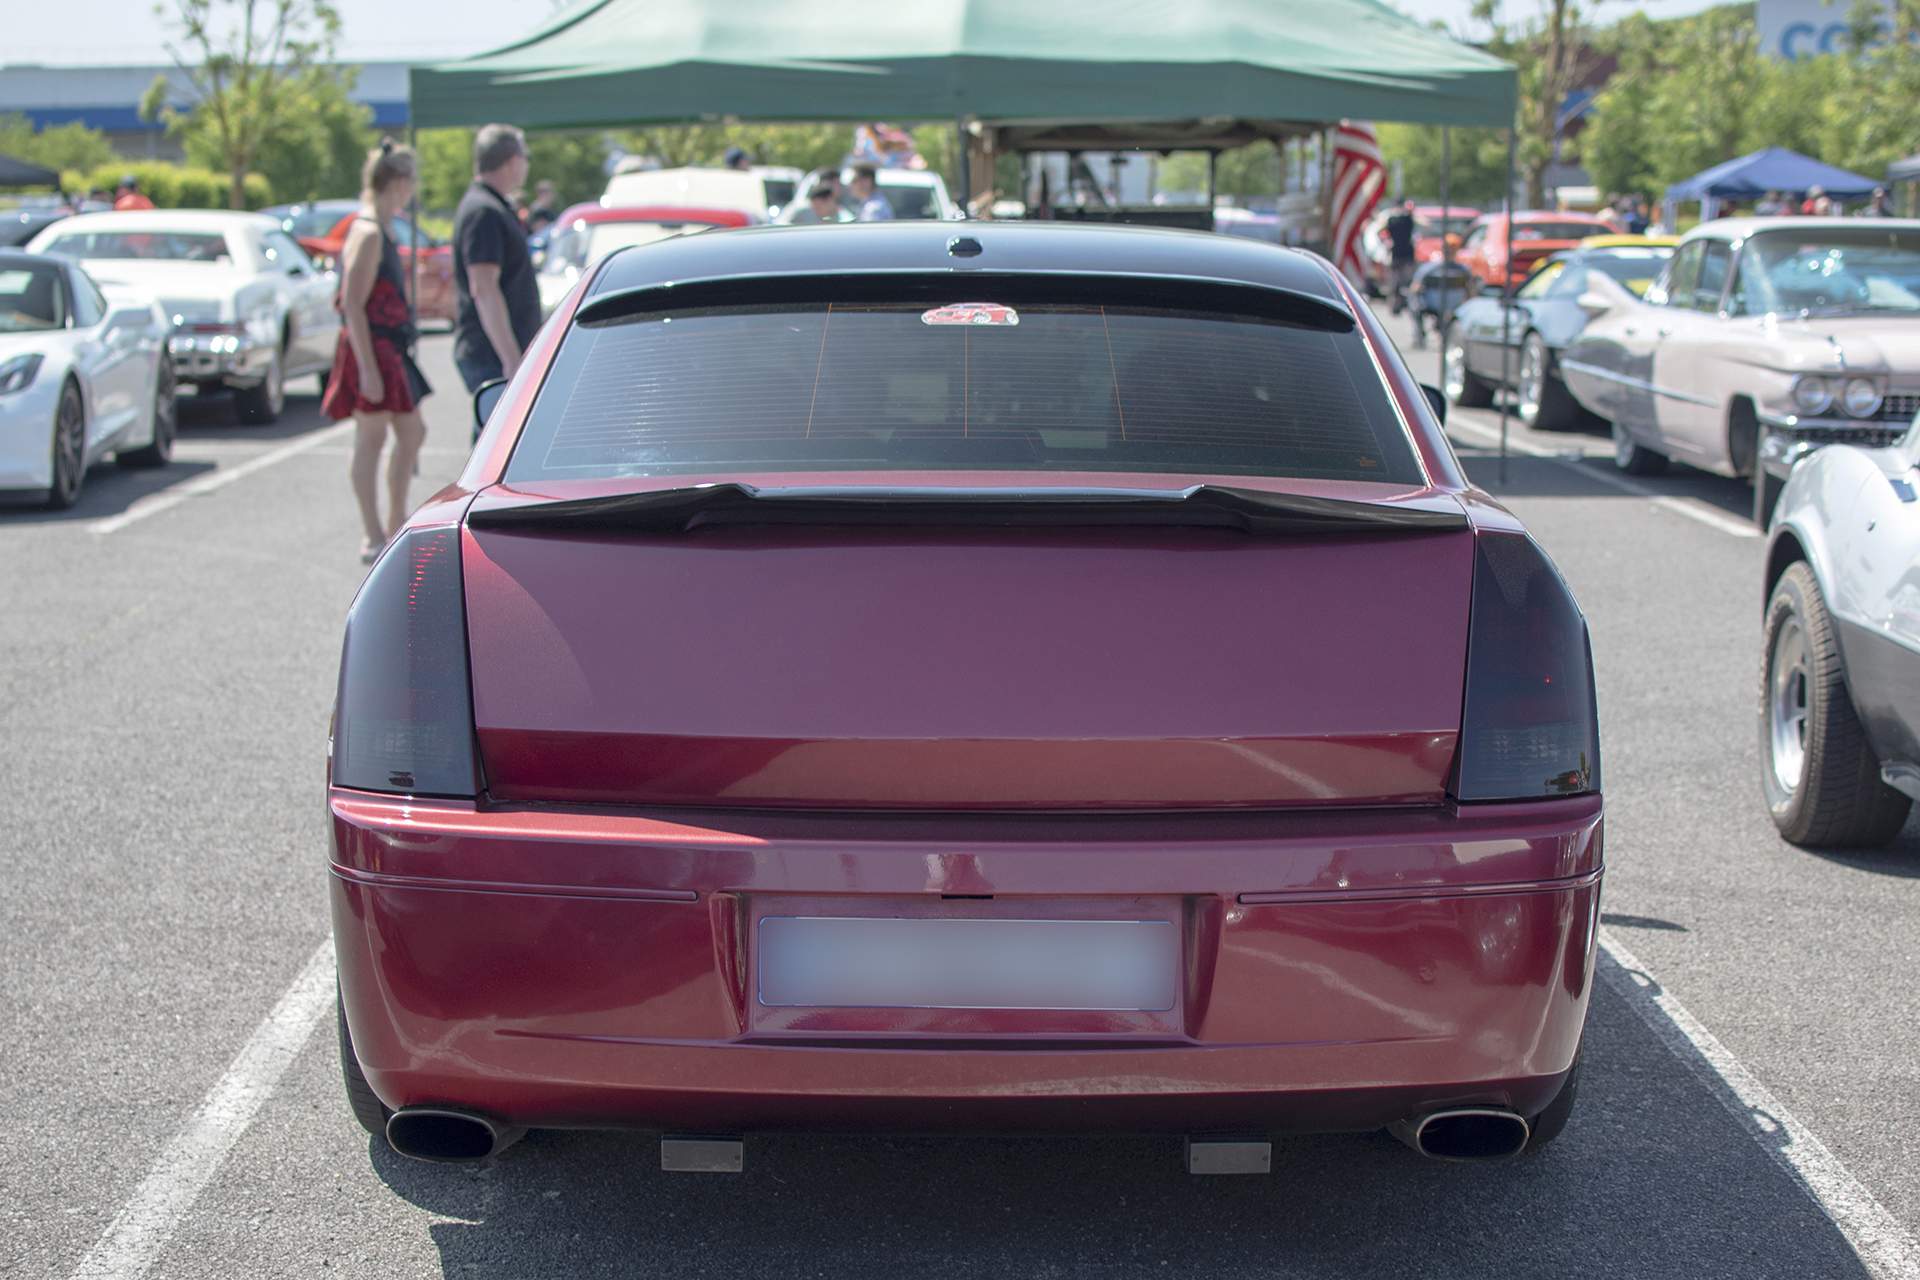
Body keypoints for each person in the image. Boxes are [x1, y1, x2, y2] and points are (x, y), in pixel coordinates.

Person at [321, 139, 432, 563]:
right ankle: (373, 533)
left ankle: (394, 522)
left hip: (388, 345)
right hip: (372, 347)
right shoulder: (367, 231)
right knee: (371, 438)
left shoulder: (380, 227)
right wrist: (367, 368)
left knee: (411, 432)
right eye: (412, 183)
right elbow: (351, 303)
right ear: (400, 183)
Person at [452, 124, 541, 439]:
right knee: (496, 448)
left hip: (498, 354)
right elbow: (484, 288)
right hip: (493, 357)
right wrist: (510, 359)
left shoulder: (492, 205)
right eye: (526, 157)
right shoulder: (484, 211)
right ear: (513, 161)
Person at [1384, 200, 1417, 314]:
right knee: (1408, 279)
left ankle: (1394, 302)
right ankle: (1406, 301)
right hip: (1407, 252)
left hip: (1396, 251)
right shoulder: (1409, 218)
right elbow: (1425, 225)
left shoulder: (1391, 219)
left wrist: (1386, 242)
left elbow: (1381, 231)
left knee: (1395, 279)